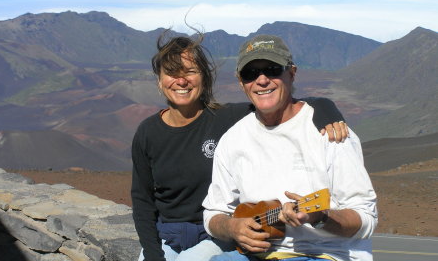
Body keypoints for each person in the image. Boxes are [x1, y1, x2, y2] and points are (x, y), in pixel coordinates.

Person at [131, 33, 349, 261]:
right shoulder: (147, 133)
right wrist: (152, 254)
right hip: (167, 236)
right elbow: (142, 201)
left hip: (215, 234)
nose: (181, 81)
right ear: (159, 80)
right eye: (171, 73)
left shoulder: (227, 118)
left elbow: (282, 101)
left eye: (190, 72)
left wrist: (326, 107)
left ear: (204, 77)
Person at [203, 35, 378, 261]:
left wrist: (321, 217)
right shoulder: (232, 139)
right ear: (240, 81)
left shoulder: (331, 133)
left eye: (273, 69)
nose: (262, 80)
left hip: (327, 254)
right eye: (250, 74)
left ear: (292, 73)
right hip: (262, 254)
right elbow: (213, 213)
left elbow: (365, 217)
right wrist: (232, 228)